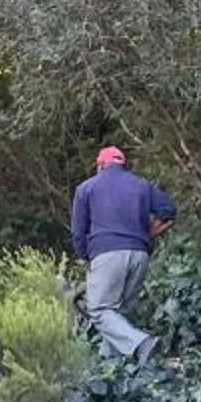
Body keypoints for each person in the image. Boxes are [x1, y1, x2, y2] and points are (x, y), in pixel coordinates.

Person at [70, 146, 176, 362]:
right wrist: (148, 234)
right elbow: (168, 210)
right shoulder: (141, 185)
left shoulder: (86, 188)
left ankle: (142, 344)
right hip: (140, 254)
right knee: (117, 315)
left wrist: (86, 257)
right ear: (122, 165)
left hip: (107, 253)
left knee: (99, 310)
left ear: (100, 166)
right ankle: (108, 367)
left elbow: (78, 232)